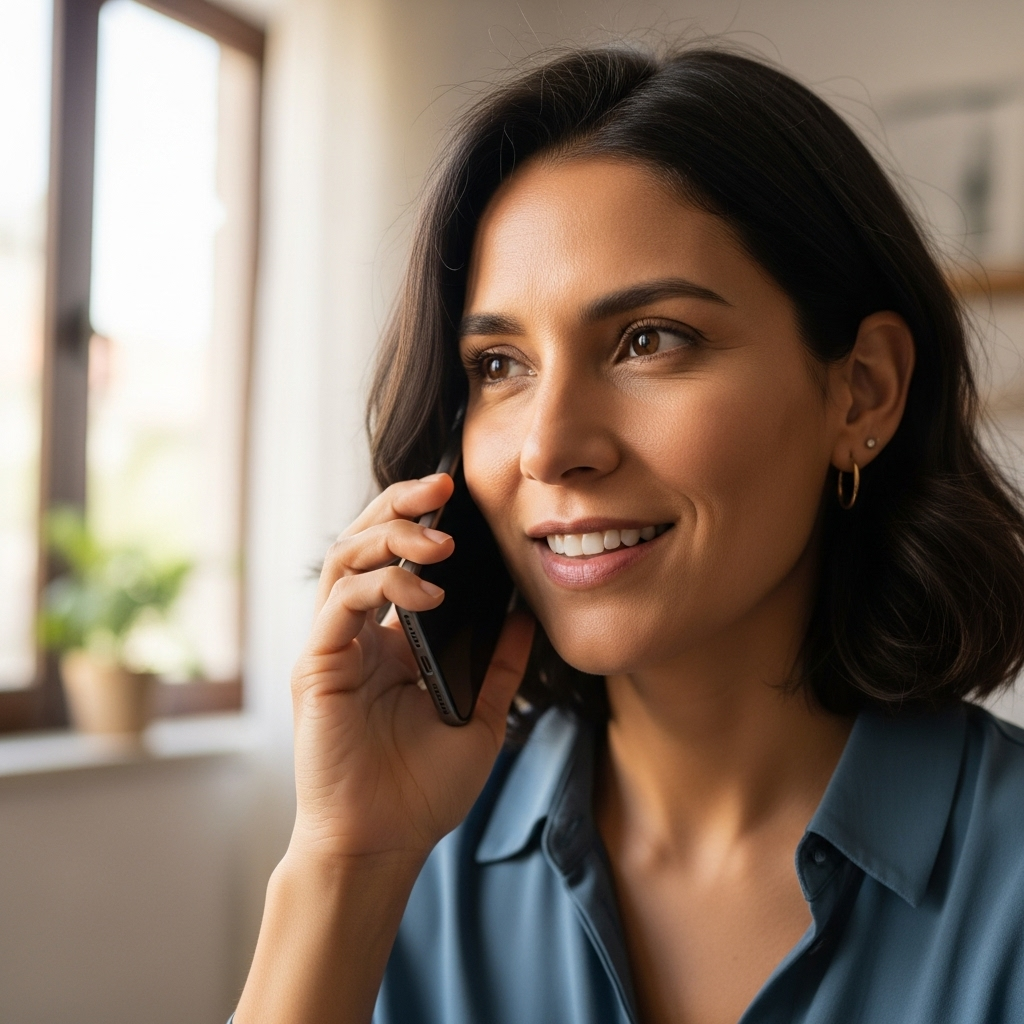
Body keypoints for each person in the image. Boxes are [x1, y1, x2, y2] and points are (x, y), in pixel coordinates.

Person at [232, 46, 1024, 1024]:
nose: (549, 448)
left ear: (861, 388)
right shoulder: (413, 850)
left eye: (650, 339)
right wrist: (344, 865)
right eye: (498, 364)